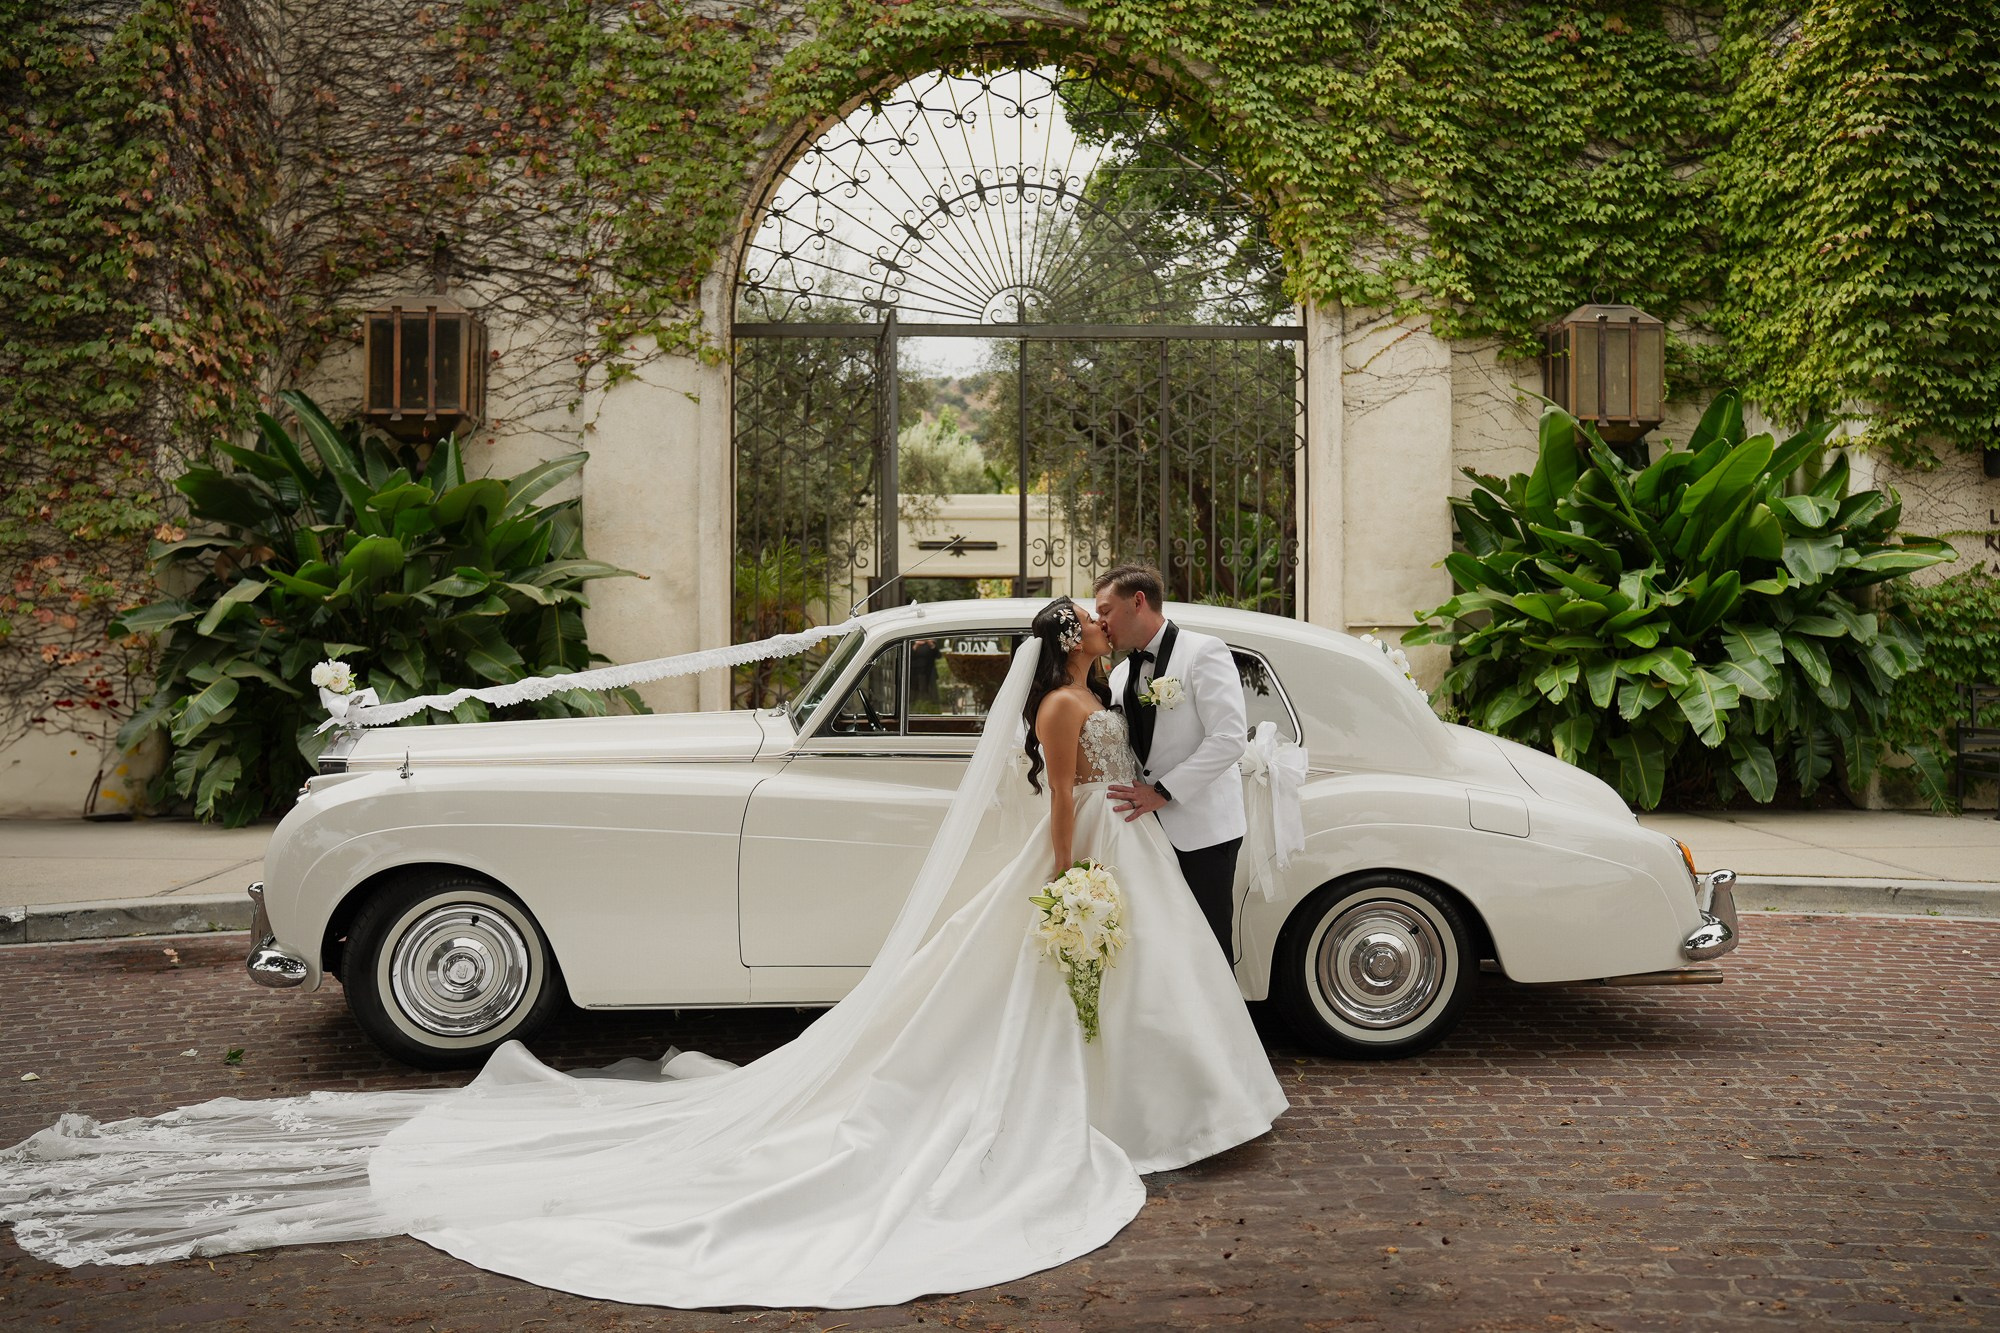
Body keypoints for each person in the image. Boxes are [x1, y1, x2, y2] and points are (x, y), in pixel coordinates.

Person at [0, 600, 1286, 1310]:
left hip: (1108, 850)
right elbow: (1056, 784)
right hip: (1082, 852)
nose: (1102, 645)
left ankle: (1139, 1100)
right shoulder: (1077, 696)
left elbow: (1094, 772)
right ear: (1078, 643)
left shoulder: (1103, 692)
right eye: (1093, 633)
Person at [1096, 563, 1250, 961]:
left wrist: (1163, 792)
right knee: (1162, 951)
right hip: (1143, 834)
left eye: (1106, 610)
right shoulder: (1119, 674)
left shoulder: (1203, 651)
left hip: (1203, 831)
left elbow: (1230, 738)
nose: (1101, 621)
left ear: (1139, 602)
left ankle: (1221, 1023)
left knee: (1210, 948)